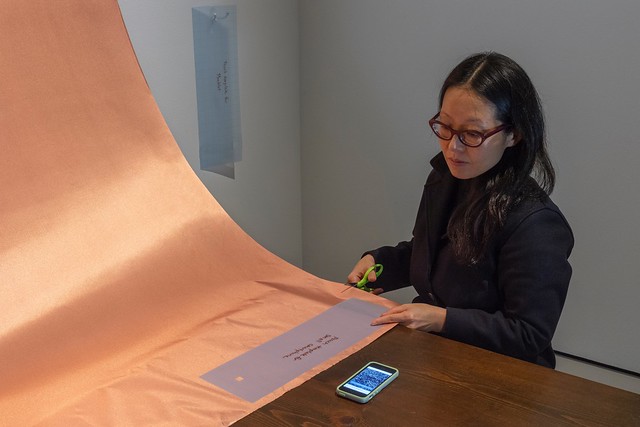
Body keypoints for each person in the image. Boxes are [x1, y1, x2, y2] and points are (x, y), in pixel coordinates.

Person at [347, 52, 574, 368]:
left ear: (514, 134)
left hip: (504, 374)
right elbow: (433, 251)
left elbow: (528, 335)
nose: (453, 147)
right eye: (445, 126)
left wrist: (442, 319)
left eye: (472, 134)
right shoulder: (445, 178)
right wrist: (380, 261)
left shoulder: (536, 224)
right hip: (438, 355)